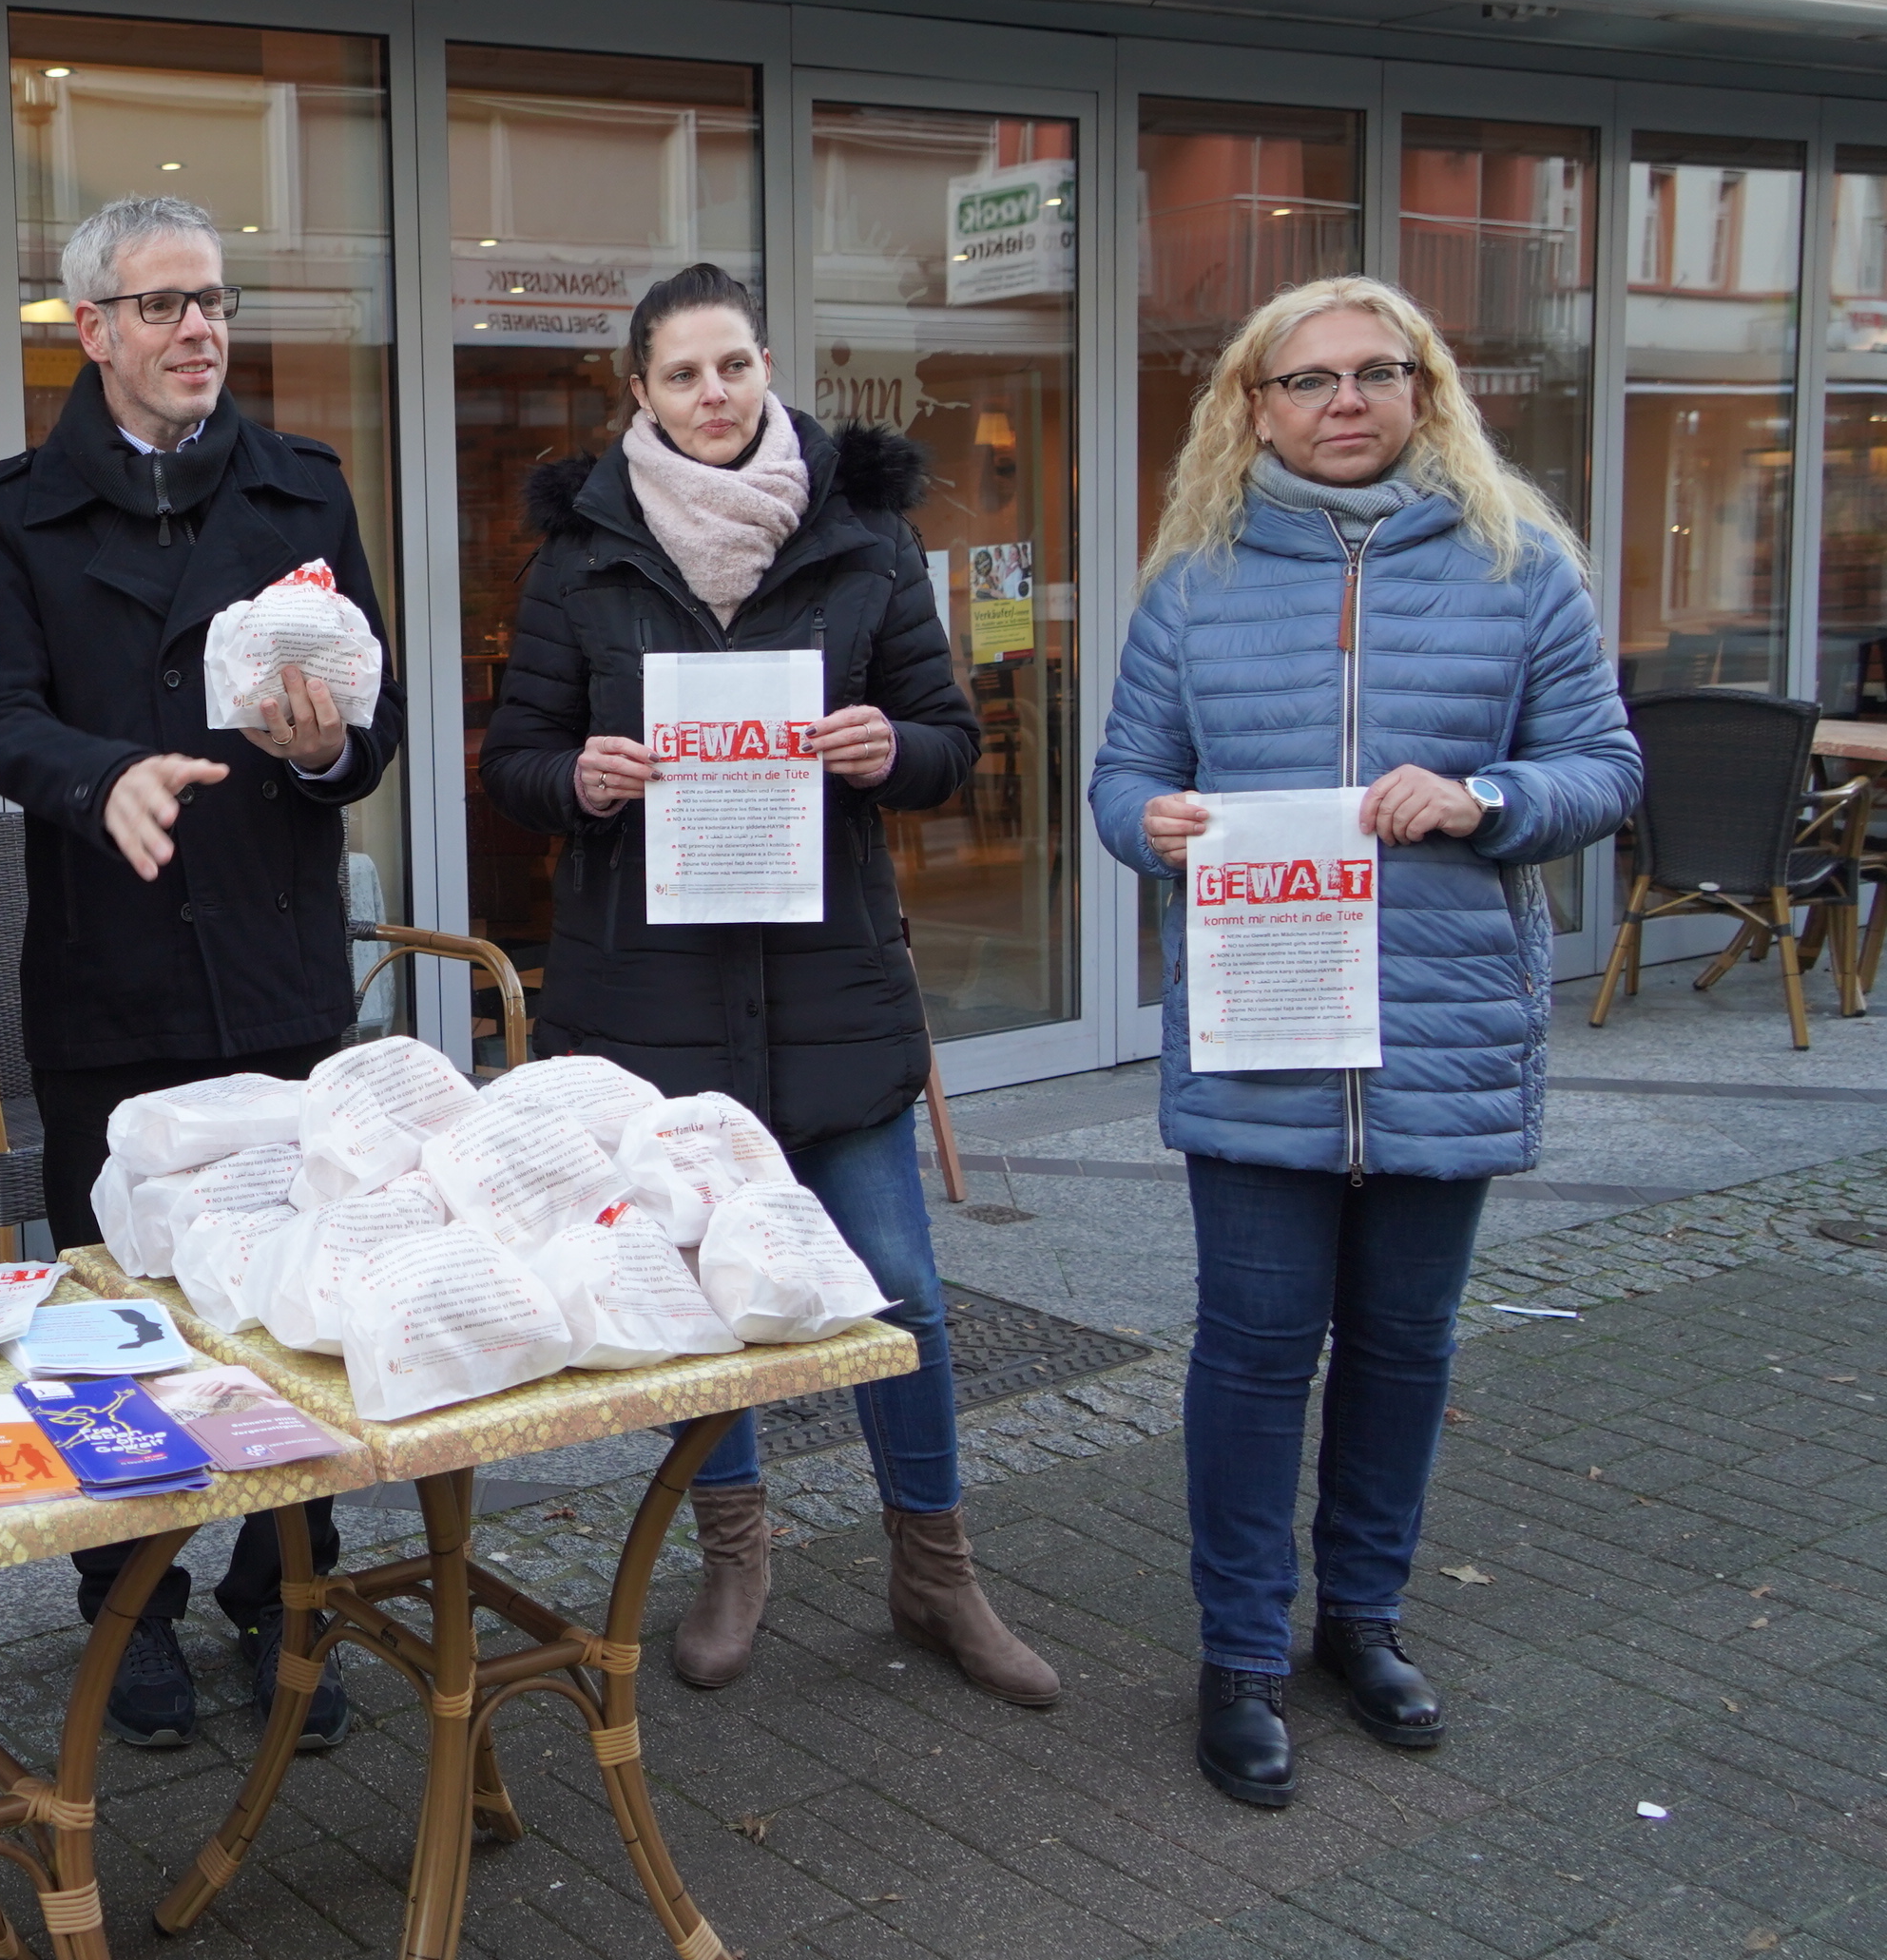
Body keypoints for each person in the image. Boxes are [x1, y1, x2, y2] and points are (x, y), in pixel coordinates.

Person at [477, 261, 1057, 1709]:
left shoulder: (862, 538)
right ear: (641, 394)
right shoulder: (585, 559)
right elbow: (516, 765)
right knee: (702, 1304)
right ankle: (735, 1555)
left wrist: (889, 751)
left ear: (767, 366)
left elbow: (947, 741)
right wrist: (585, 779)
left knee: (904, 1296)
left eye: (732, 365)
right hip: (650, 998)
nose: (713, 394)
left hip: (831, 984)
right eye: (681, 375)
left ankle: (936, 1570)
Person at [1091, 275, 1636, 1811]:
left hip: (1443, 1025)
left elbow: (1602, 763)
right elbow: (1126, 771)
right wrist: (1152, 822)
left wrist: (1489, 802)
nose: (1343, 401)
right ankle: (1243, 1653)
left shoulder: (1519, 563)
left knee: (1404, 1349)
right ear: (1252, 407)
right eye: (1307, 379)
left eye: (1374, 373)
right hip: (1264, 1023)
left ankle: (1364, 1621)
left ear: (1426, 390)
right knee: (1255, 1358)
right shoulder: (1194, 578)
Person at [0, 194, 400, 1753]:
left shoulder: (305, 491)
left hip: (275, 973)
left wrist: (335, 746)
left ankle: (290, 1595)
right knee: (114, 1317)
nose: (198, 330)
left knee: (293, 1307)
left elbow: (373, 719)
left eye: (211, 302)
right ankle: (124, 1604)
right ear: (92, 331)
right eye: (161, 307)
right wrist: (99, 778)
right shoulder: (11, 514)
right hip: (109, 978)